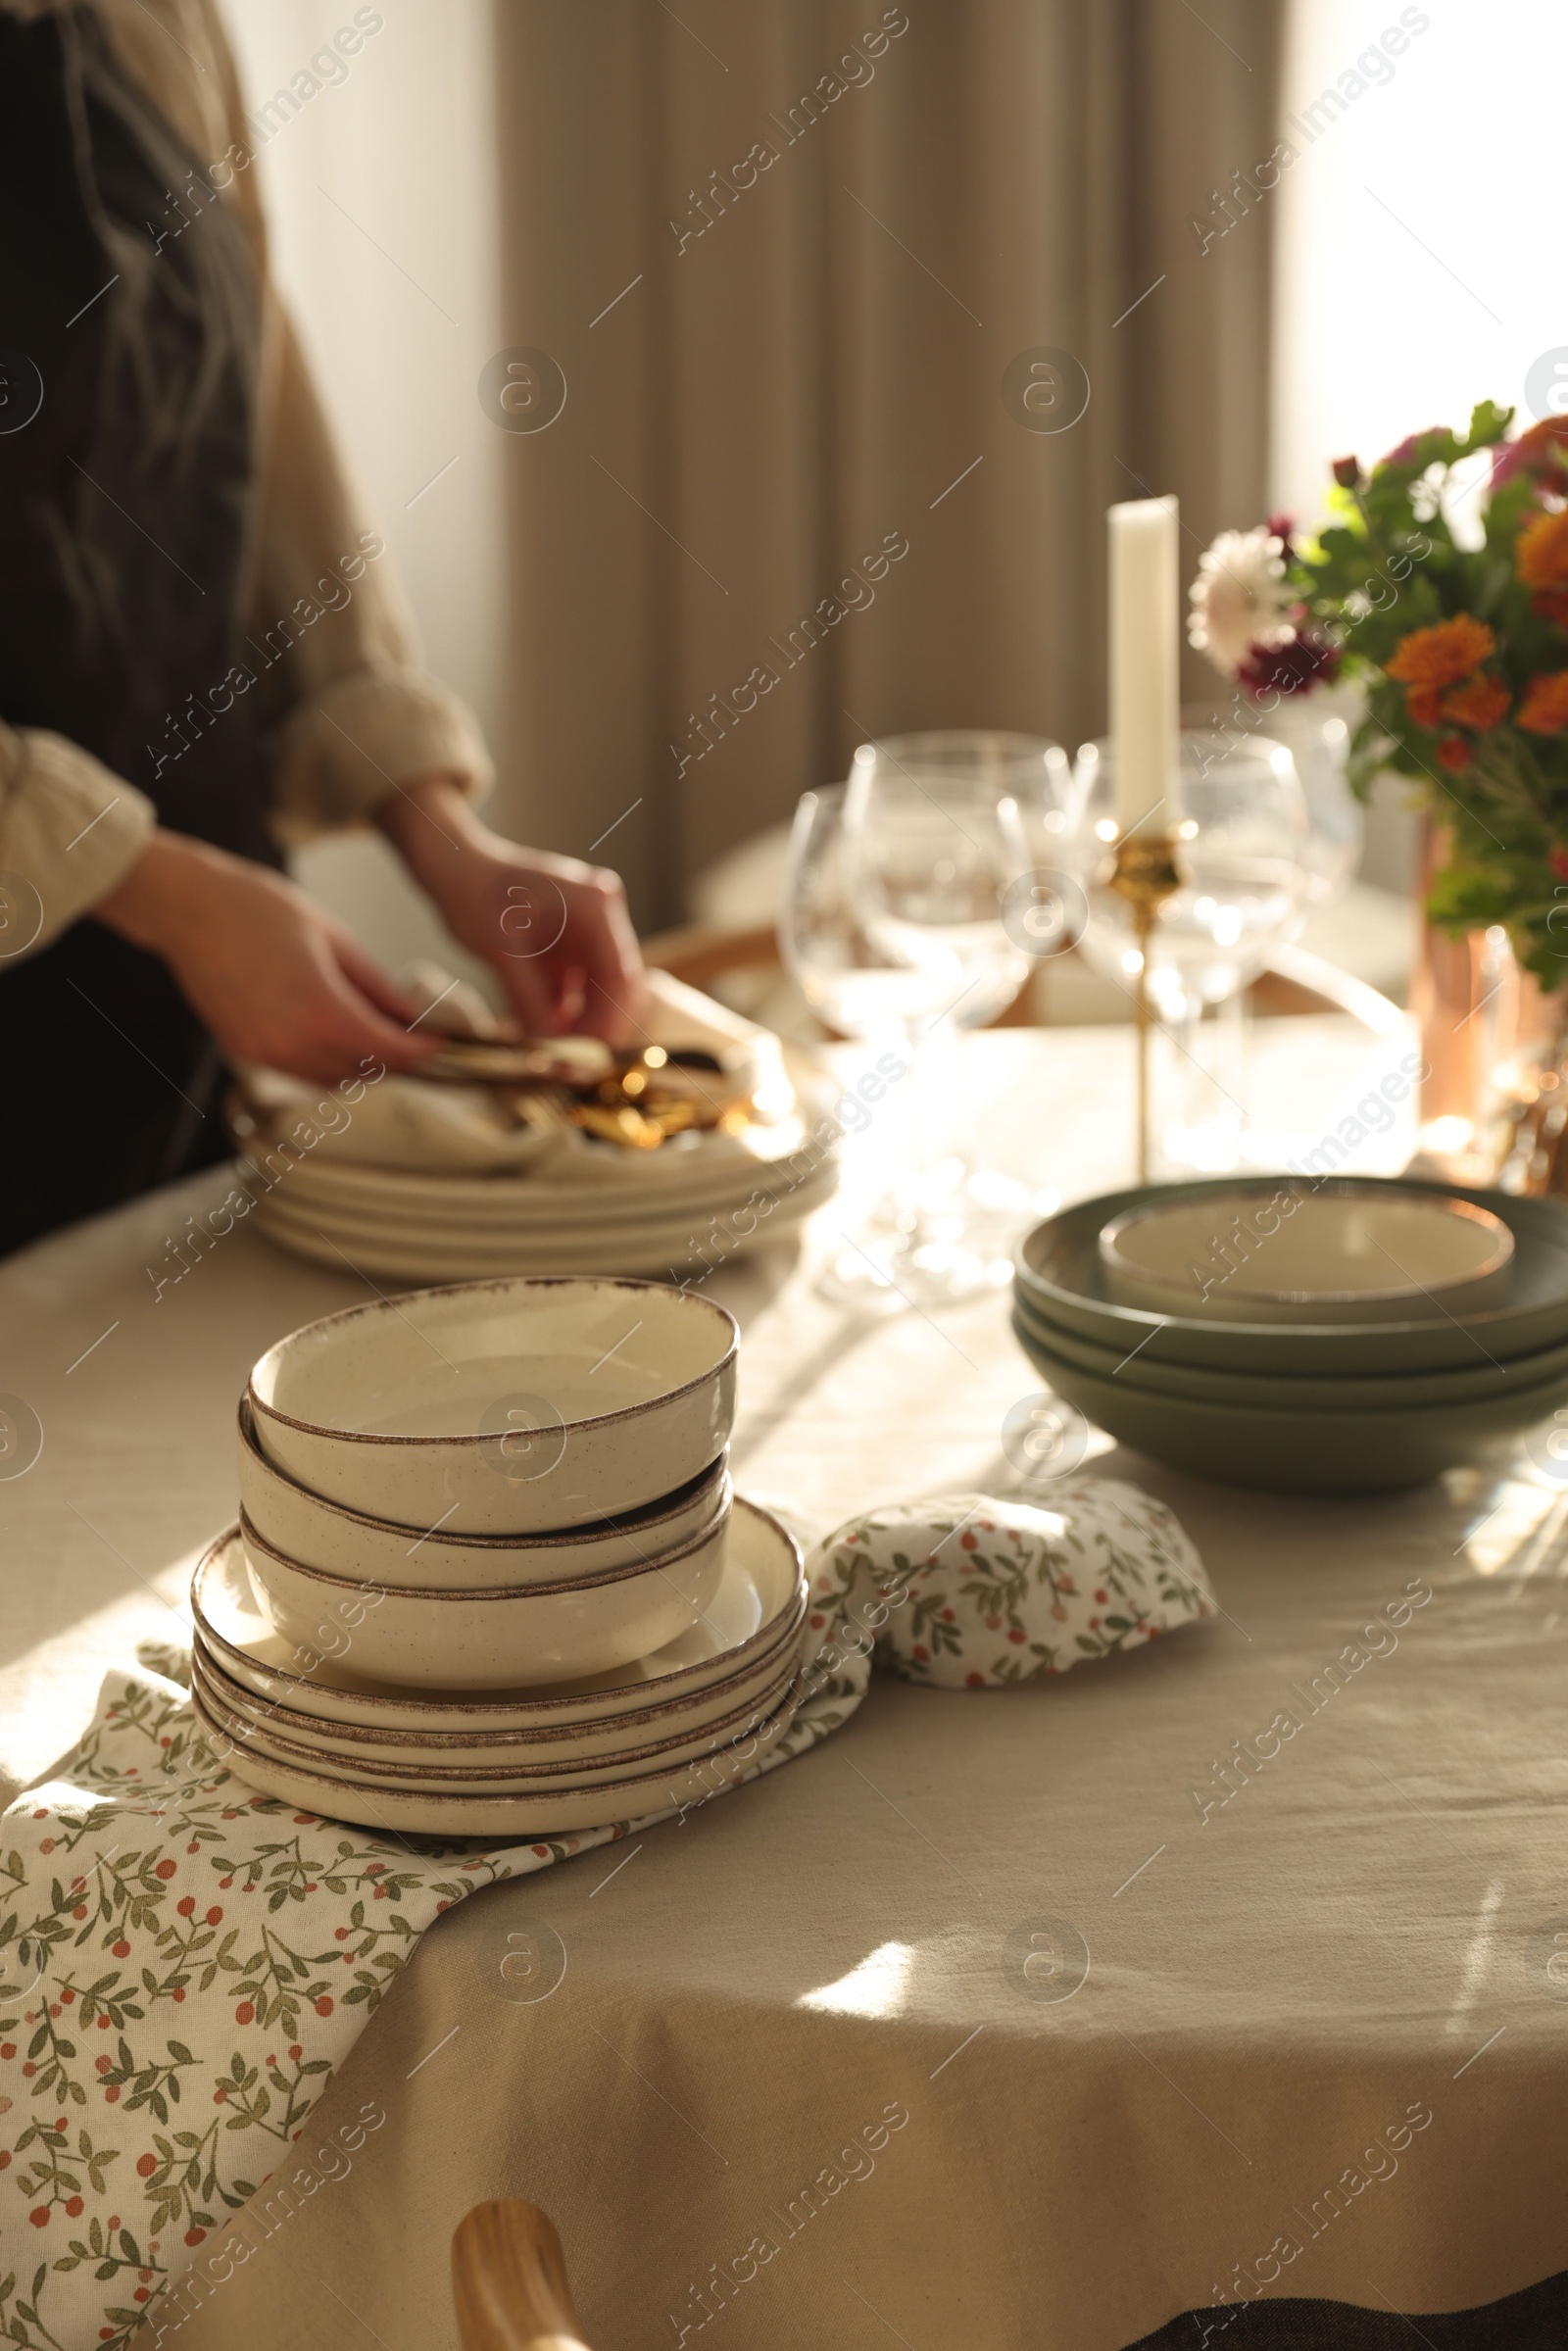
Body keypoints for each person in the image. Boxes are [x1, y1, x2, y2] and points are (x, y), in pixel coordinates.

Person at [0, 0, 643, 1255]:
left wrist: (433, 820)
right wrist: (154, 888)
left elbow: (256, 420)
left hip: (176, 1029)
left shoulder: (158, 22)